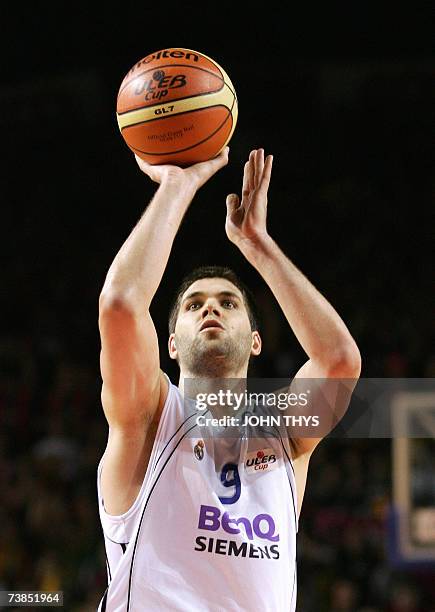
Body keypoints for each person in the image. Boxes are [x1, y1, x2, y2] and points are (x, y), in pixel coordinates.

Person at [96, 147, 361, 611]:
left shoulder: (283, 432)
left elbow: (339, 360)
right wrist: (176, 188)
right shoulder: (149, 418)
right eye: (194, 305)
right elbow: (120, 305)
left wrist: (258, 245)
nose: (211, 308)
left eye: (229, 302)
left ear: (256, 341)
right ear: (171, 343)